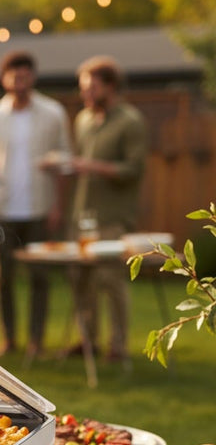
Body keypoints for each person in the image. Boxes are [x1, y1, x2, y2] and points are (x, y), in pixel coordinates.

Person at [0, 51, 72, 358]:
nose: (19, 80)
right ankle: (8, 338)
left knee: (39, 277)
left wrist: (57, 206)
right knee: (2, 277)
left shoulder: (53, 112)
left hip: (40, 207)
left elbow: (63, 162)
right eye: (14, 75)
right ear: (4, 79)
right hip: (2, 209)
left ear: (33, 76)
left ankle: (36, 340)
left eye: (25, 74)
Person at [69, 55, 148, 363]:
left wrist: (91, 166)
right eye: (82, 88)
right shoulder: (83, 120)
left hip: (113, 217)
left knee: (110, 280)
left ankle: (118, 346)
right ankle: (88, 341)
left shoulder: (130, 122)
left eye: (91, 88)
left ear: (110, 86)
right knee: (80, 279)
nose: (85, 94)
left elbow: (133, 169)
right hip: (82, 215)